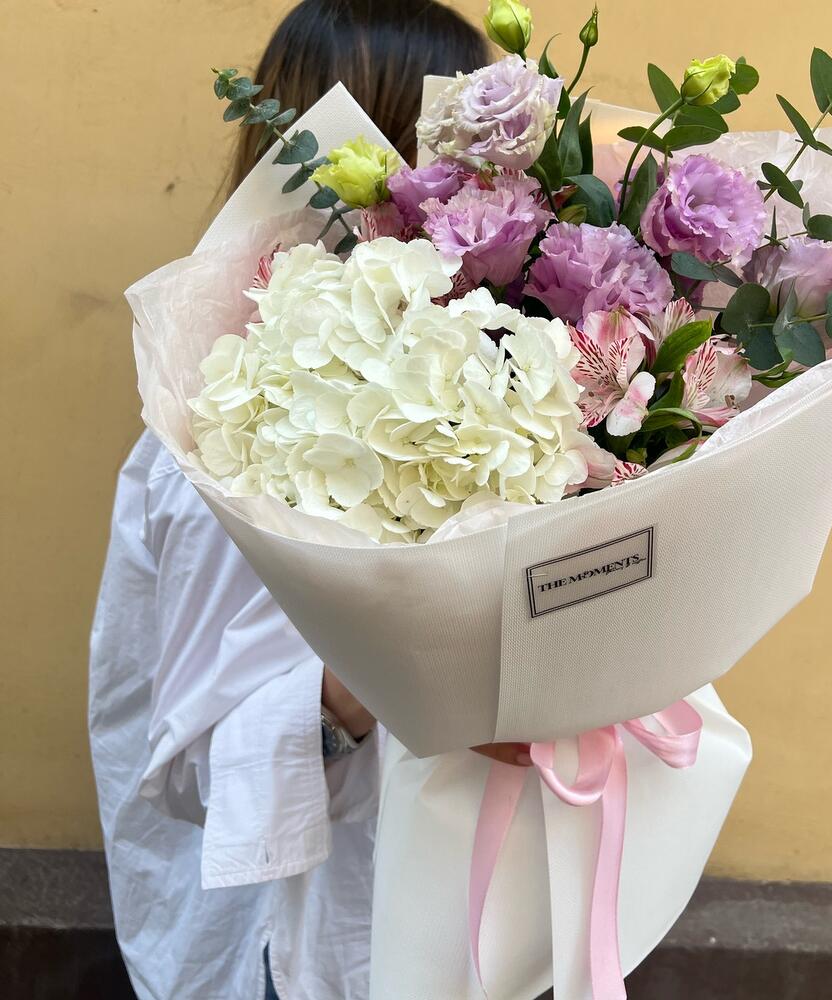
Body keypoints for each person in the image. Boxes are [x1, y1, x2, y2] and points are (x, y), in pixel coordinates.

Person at [89, 4, 492, 998]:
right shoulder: (230, 429)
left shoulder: (494, 377)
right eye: (456, 144)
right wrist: (366, 687)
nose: (480, 180)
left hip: (475, 921)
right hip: (302, 947)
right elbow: (192, 773)